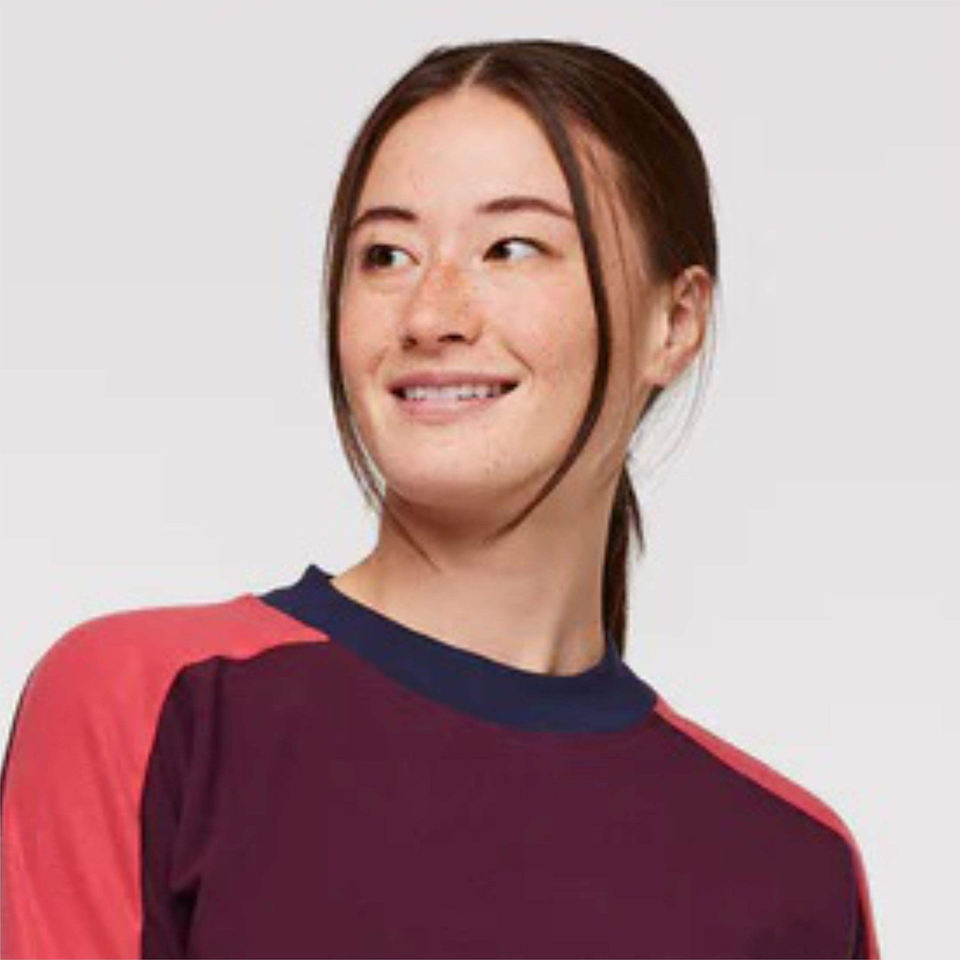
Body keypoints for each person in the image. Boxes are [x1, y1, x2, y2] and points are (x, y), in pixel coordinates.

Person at [0, 38, 880, 959]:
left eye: (512, 248)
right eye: (386, 255)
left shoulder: (792, 868)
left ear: (676, 320)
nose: (429, 315)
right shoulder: (159, 702)